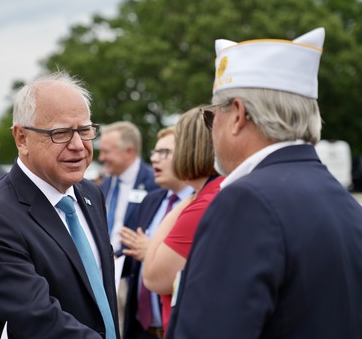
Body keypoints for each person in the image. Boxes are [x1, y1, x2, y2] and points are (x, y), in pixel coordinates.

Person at [168, 28, 362, 338]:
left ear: (238, 116)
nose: (212, 127)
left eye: (212, 115)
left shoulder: (246, 202)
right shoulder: (340, 200)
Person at [0, 71, 120, 339]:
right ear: (21, 138)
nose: (78, 145)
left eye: (84, 130)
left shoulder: (91, 194)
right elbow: (36, 320)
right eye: (61, 133)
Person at [143, 106, 223, 334]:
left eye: (171, 149)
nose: (159, 159)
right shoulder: (213, 193)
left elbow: (154, 278)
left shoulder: (202, 203)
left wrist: (186, 203)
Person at [119, 127, 193, 339]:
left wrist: (152, 252)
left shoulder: (201, 204)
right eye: (154, 153)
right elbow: (134, 255)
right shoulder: (151, 200)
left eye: (165, 153)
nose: (155, 160)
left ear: (188, 154)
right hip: (140, 330)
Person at [98, 121, 159, 333]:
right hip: (102, 275)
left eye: (106, 152)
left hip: (131, 279)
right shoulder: (105, 184)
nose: (101, 158)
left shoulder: (154, 183)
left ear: (129, 151)